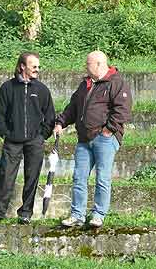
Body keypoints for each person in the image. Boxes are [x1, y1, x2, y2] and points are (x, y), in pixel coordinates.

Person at [54, 51, 132, 228]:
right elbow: (73, 107)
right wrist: (61, 122)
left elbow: (123, 110)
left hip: (105, 138)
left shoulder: (117, 83)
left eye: (87, 64)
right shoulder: (85, 84)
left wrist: (108, 130)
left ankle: (98, 214)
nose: (85, 67)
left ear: (99, 64)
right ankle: (77, 215)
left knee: (102, 178)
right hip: (84, 139)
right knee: (79, 177)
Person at [0, 52, 55, 224]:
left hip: (34, 142)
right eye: (34, 66)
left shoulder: (42, 90)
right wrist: (6, 133)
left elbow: (50, 116)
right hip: (12, 142)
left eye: (38, 66)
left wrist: (41, 136)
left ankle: (25, 213)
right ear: (22, 66)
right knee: (6, 177)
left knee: (32, 178)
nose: (37, 69)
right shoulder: (7, 88)